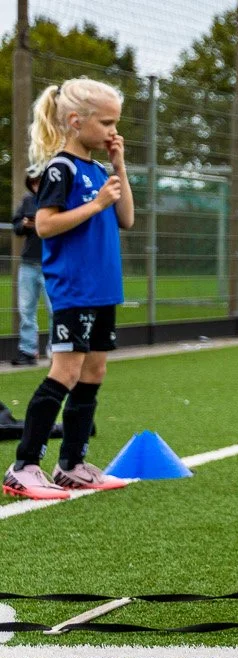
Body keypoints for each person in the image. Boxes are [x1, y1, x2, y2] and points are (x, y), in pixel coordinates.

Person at [2, 79, 135, 501]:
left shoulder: (99, 169)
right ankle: (23, 466)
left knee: (94, 373)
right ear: (76, 122)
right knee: (66, 372)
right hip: (74, 289)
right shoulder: (60, 169)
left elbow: (127, 219)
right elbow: (43, 225)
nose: (114, 130)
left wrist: (120, 167)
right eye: (107, 122)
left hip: (103, 289)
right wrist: (95, 205)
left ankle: (72, 464)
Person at [14, 172, 44, 364]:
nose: (36, 185)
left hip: (51, 263)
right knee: (26, 309)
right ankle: (28, 351)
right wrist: (25, 224)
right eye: (33, 182)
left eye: (40, 181)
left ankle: (56, 351)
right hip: (29, 262)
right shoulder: (27, 201)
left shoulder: (57, 200)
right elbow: (17, 227)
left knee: (56, 309)